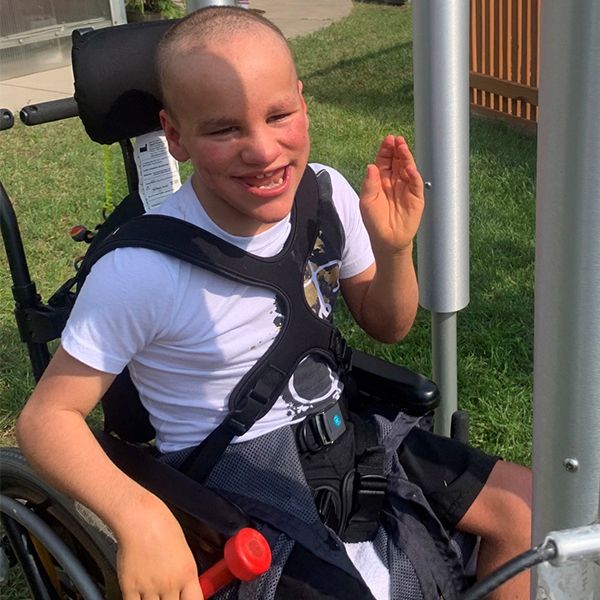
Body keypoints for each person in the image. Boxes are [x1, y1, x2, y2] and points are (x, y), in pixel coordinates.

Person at [16, 7, 531, 600]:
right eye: (224, 130)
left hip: (341, 431)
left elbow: (388, 326)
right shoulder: (140, 268)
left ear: (302, 103)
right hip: (232, 477)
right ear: (176, 136)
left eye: (279, 114)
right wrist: (138, 516)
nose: (262, 150)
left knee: (525, 510)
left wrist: (394, 251)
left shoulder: (327, 194)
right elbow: (45, 422)